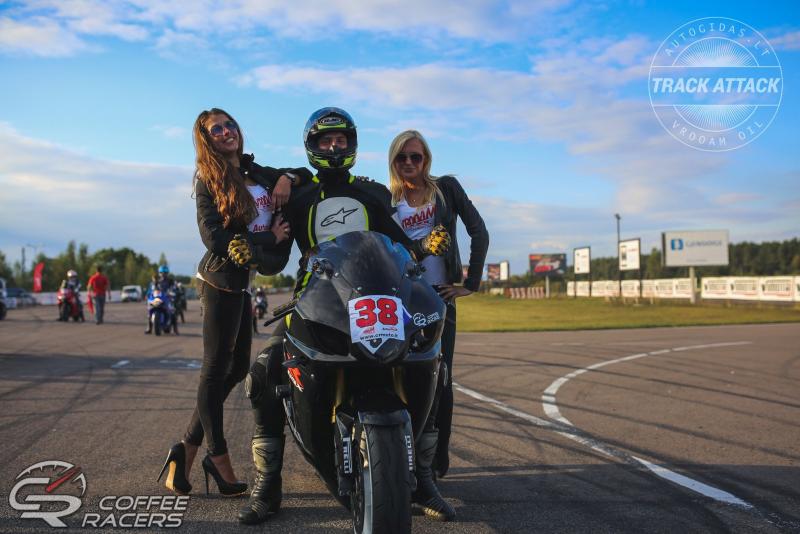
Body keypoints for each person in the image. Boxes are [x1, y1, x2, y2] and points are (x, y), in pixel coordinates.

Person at [239, 107, 452, 525]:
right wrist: (258, 248)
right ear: (312, 146)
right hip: (314, 299)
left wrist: (425, 248)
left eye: (341, 140)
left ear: (351, 144)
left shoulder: (372, 193)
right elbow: (276, 257)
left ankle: (424, 479)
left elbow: (399, 246)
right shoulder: (299, 196)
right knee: (264, 369)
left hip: (373, 300)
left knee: (432, 365)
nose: (334, 147)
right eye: (326, 140)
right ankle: (268, 482)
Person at [157, 108, 310, 499]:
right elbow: (214, 237)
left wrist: (287, 179)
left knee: (238, 367)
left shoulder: (253, 171)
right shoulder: (208, 179)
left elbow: (304, 174)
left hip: (241, 284)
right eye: (216, 130)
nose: (226, 132)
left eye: (229, 125)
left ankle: (184, 450)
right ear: (206, 139)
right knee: (214, 371)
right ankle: (218, 457)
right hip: (218, 280)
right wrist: (269, 239)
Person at [388, 130, 489, 479]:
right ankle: (399, 456)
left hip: (440, 296)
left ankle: (434, 462)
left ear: (426, 159)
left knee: (441, 378)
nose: (409, 163)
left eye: (415, 156)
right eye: (402, 157)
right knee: (398, 376)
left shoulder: (446, 189)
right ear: (393, 161)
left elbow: (479, 231)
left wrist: (469, 284)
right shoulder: (387, 201)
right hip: (402, 298)